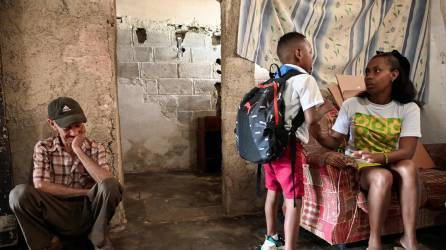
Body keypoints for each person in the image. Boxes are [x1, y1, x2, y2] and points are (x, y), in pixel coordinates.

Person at [312, 50, 420, 250]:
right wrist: (318, 132)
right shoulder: (352, 104)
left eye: (377, 71)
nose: (369, 76)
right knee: (382, 177)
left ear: (394, 75)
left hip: (391, 158)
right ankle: (374, 241)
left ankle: (410, 240)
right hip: (362, 163)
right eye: (367, 71)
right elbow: (335, 142)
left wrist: (380, 156)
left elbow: (407, 151)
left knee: (409, 167)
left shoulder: (408, 108)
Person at [9, 97, 122, 250]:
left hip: (87, 213)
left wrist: (78, 150)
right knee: (18, 194)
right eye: (67, 127)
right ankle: (50, 243)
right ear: (52, 124)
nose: (74, 132)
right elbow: (41, 185)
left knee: (111, 185)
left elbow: (107, 181)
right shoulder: (44, 147)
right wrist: (87, 192)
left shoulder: (96, 147)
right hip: (57, 213)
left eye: (78, 125)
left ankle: (98, 239)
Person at [260, 32, 332, 250]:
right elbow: (310, 119)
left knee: (273, 193)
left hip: (268, 147)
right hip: (288, 149)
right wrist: (326, 108)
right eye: (310, 51)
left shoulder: (273, 79)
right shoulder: (305, 79)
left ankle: (270, 239)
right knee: (293, 199)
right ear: (299, 53)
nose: (312, 57)